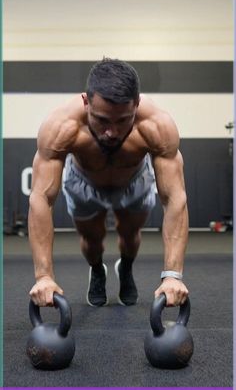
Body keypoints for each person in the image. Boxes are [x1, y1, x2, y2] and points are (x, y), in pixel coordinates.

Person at [28, 58, 189, 308]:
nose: (111, 132)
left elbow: (174, 197)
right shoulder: (61, 126)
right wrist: (43, 277)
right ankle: (97, 270)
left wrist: (173, 276)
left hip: (133, 180)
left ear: (136, 103)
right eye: (102, 120)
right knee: (92, 241)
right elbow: (41, 197)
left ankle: (125, 267)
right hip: (84, 181)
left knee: (130, 235)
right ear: (86, 102)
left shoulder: (157, 125)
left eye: (123, 120)